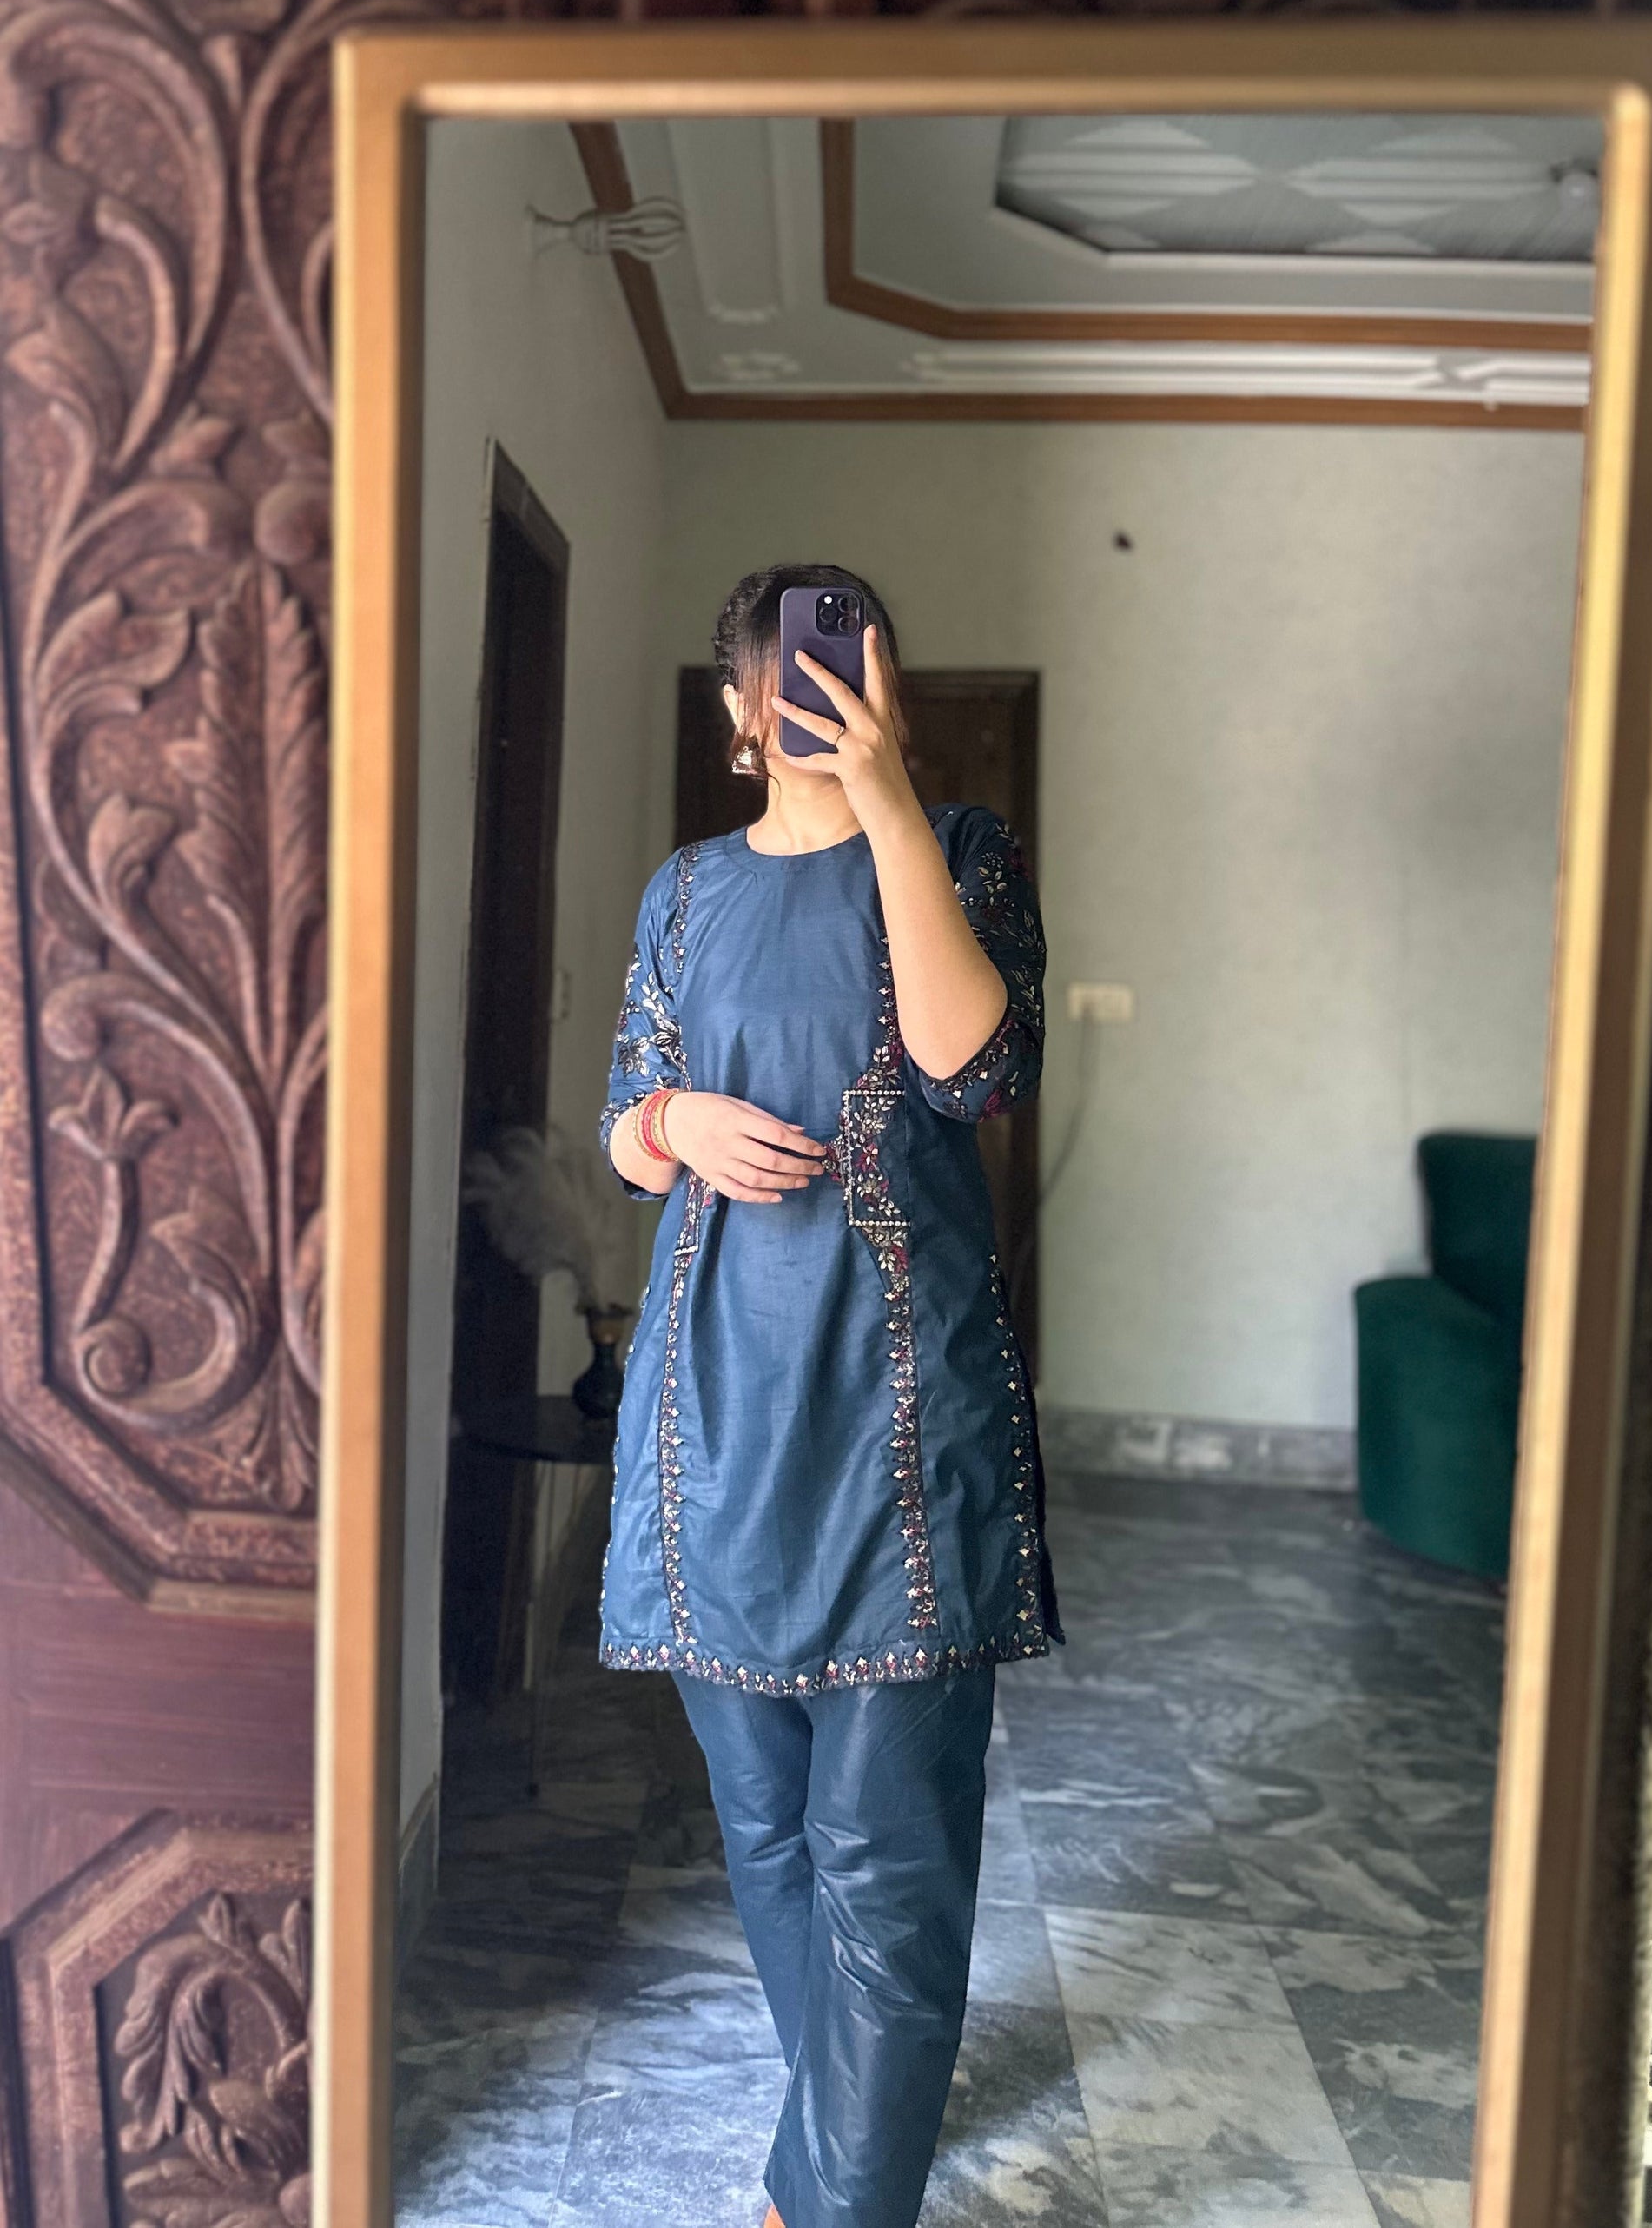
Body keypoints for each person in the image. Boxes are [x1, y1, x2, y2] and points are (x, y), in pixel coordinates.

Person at [598, 562, 1061, 2228]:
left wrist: (888, 808)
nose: (823, 698)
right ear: (741, 709)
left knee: (890, 1850)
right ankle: (850, 2134)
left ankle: (830, 2198)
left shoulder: (960, 853)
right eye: (794, 678)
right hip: (710, 1410)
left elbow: (973, 1070)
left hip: (899, 1416)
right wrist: (675, 1125)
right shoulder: (684, 892)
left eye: (856, 670)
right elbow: (623, 1119)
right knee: (768, 1828)